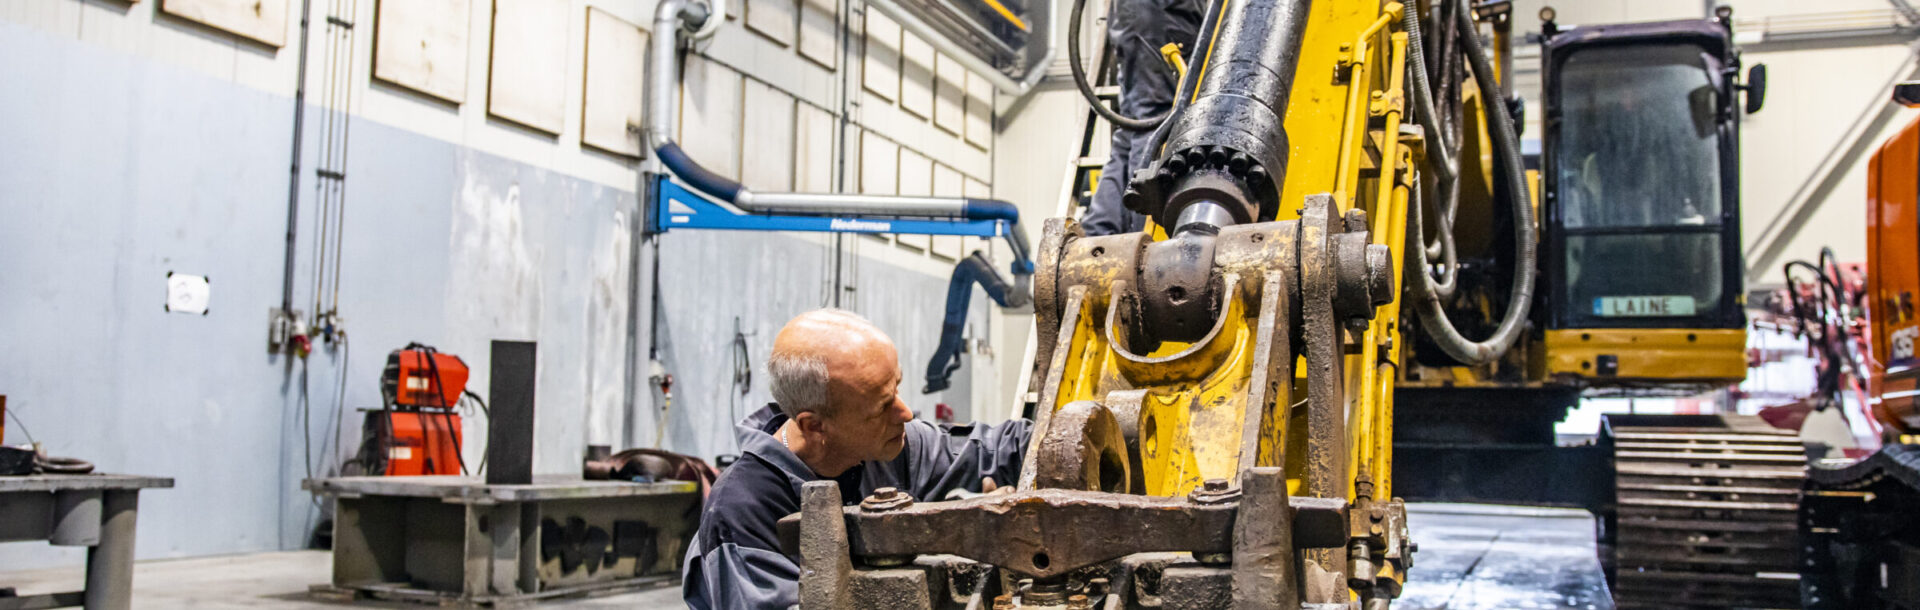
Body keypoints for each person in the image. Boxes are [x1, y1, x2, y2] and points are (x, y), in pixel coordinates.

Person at [681, 309, 1033, 609]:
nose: (906, 413)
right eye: (882, 406)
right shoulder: (742, 514)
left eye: (897, 387)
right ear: (815, 425)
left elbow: (1005, 448)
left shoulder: (890, 447)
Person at [1082, 0, 1205, 236]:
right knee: (1154, 124)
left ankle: (1099, 230)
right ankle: (1143, 236)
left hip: (1136, 19)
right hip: (1162, 19)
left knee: (1133, 129)